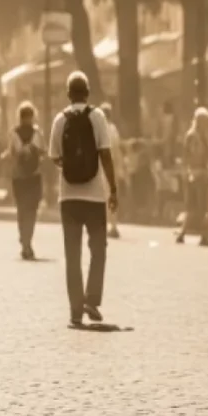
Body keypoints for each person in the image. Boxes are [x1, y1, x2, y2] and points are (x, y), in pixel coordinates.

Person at [49, 72, 118, 327]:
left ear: (68, 93)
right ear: (87, 92)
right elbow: (106, 155)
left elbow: (54, 156)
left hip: (68, 198)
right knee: (98, 250)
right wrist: (113, 189)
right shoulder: (98, 117)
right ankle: (92, 298)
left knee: (72, 255)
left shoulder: (60, 120)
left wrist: (71, 167)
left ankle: (75, 311)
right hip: (94, 197)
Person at [10, 103, 44, 261]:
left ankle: (23, 238)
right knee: (31, 211)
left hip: (18, 178)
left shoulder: (13, 134)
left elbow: (13, 153)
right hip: (34, 178)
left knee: (21, 210)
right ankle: (27, 242)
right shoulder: (37, 133)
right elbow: (41, 154)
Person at [177, 108, 208, 245]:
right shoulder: (196, 136)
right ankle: (203, 235)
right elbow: (197, 154)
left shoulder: (192, 135)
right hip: (199, 173)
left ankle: (182, 233)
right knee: (201, 205)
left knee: (192, 206)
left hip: (192, 172)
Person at [99, 103, 123, 239]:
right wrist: (120, 168)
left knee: (100, 197)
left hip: (99, 167)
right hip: (111, 167)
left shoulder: (97, 129)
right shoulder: (113, 129)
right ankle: (113, 226)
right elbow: (117, 149)